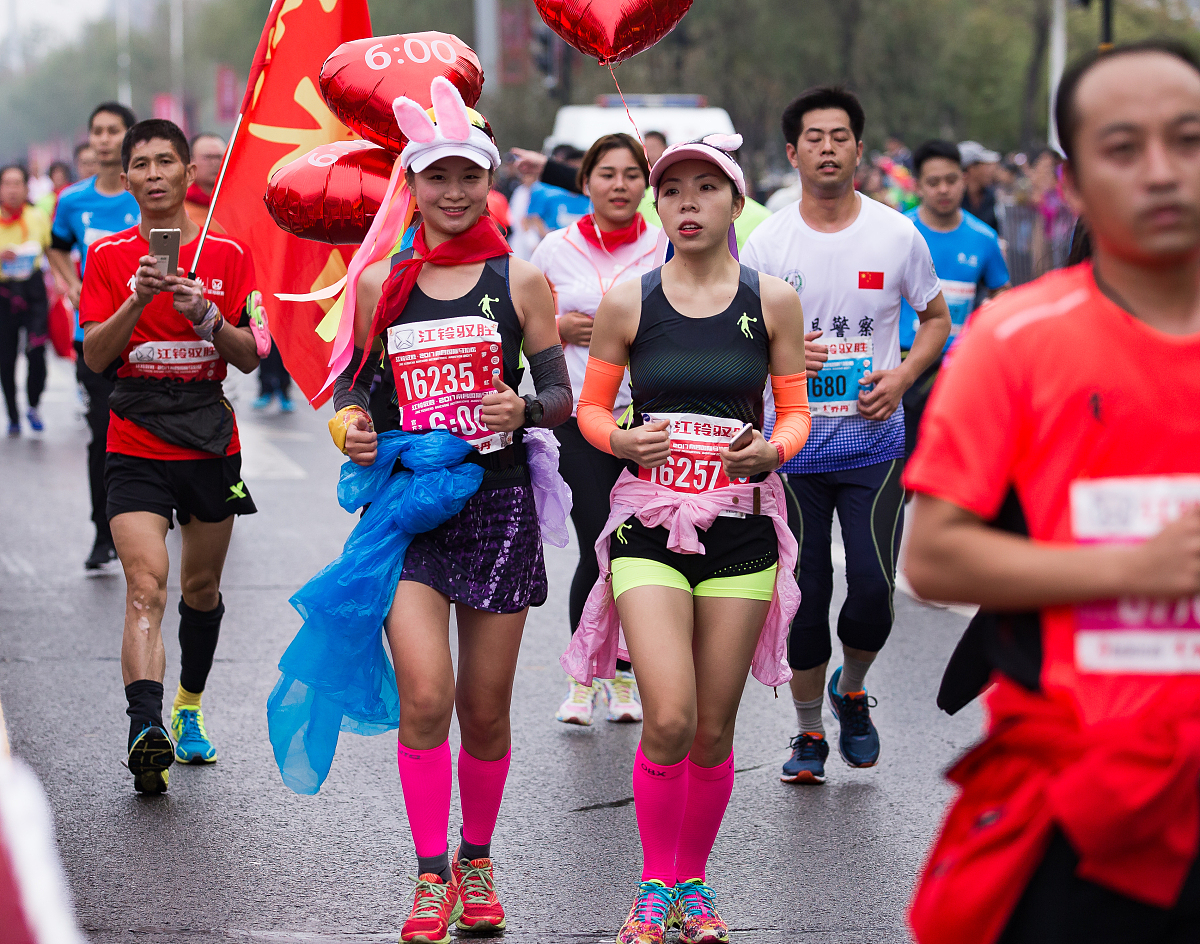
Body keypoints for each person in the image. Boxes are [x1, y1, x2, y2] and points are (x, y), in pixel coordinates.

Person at [905, 40, 1200, 944]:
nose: (1161, 172)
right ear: (1070, 186)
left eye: (1188, 140)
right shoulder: (1019, 341)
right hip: (1084, 785)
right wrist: (1131, 566)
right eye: (1123, 147)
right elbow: (934, 554)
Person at [272, 79, 572, 943]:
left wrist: (527, 410)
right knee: (427, 697)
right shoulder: (380, 285)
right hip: (408, 514)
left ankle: (477, 860)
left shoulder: (518, 278)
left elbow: (555, 388)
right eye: (436, 177)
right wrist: (352, 425)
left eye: (466, 177)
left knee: (485, 708)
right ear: (414, 185)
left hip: (499, 506)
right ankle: (431, 875)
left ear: (488, 183)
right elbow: (362, 387)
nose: (452, 192)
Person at [565, 133, 811, 944]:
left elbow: (796, 411)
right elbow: (593, 409)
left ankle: (693, 888)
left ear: (735, 204)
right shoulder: (631, 301)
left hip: (741, 529)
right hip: (650, 526)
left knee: (713, 727)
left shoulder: (771, 299)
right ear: (656, 206)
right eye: (674, 192)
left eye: (707, 190)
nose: (689, 204)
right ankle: (651, 885)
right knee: (668, 715)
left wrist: (774, 449)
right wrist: (620, 441)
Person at [741, 86, 951, 785]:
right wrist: (784, 351)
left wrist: (904, 378)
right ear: (793, 152)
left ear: (860, 149)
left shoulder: (896, 234)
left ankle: (851, 689)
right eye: (814, 137)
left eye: (841, 135)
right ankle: (806, 736)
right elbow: (743, 335)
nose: (828, 147)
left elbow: (935, 319)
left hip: (875, 443)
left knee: (872, 588)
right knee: (806, 589)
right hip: (795, 444)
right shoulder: (769, 240)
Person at [80, 119, 263, 794]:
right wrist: (138, 298)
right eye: (141, 164)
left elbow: (252, 354)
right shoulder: (105, 257)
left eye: (166, 162)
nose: (153, 173)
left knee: (200, 589)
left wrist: (206, 316)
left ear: (190, 174)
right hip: (135, 436)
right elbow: (97, 358)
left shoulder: (231, 253)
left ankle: (187, 706)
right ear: (125, 179)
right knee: (145, 584)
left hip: (210, 437)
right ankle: (144, 728)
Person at [531, 132, 661, 726]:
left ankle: (629, 677)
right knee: (598, 548)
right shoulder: (554, 249)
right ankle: (584, 679)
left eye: (631, 175)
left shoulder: (666, 246)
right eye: (606, 174)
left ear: (646, 184)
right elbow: (521, 321)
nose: (619, 185)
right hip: (582, 419)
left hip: (655, 419)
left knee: (640, 552)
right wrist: (561, 327)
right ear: (585, 183)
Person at [48, 101, 139, 571]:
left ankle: (165, 513)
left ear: (129, 136)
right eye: (97, 131)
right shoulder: (72, 200)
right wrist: (73, 285)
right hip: (97, 337)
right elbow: (58, 247)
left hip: (148, 338)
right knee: (103, 430)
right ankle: (103, 533)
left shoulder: (145, 195)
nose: (104, 139)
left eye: (113, 130)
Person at [898, 140, 1009, 457]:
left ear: (964, 179)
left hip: (960, 369)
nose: (944, 189)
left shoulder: (984, 238)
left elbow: (1001, 291)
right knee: (901, 473)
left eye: (951, 180)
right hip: (905, 366)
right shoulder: (899, 232)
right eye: (933, 182)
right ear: (918, 186)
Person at [0, 165, 52, 436]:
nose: (12, 189)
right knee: (6, 359)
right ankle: (13, 415)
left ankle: (33, 404)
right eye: (7, 183)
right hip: (4, 294)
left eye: (17, 183)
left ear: (26, 187)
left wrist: (64, 283)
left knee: (37, 351)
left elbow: (51, 251)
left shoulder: (37, 217)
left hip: (32, 290)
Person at [526, 145, 592, 234]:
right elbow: (533, 217)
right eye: (573, 168)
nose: (576, 174)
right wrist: (547, 237)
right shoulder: (543, 190)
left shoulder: (591, 195)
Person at [959, 140, 1001, 232]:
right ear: (972, 168)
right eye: (985, 165)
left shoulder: (990, 196)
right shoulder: (954, 199)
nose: (990, 171)